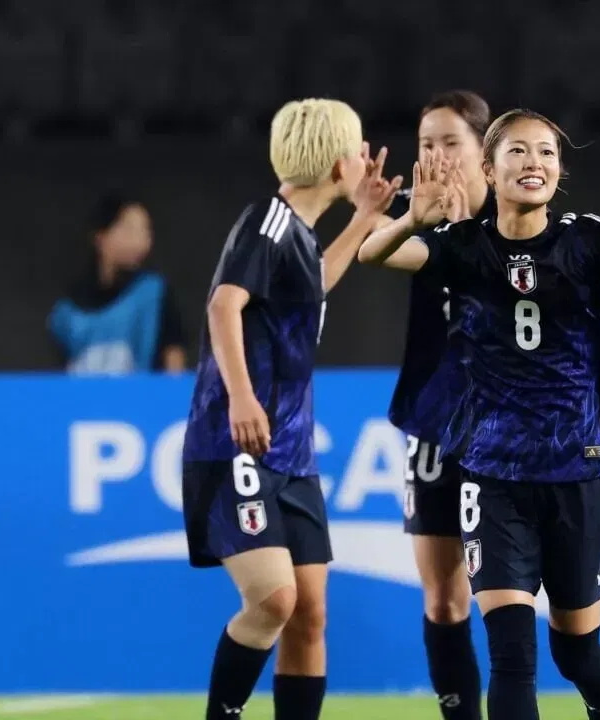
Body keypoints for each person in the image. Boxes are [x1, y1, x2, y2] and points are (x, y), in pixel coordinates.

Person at [359, 109, 600, 720]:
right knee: (511, 655)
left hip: (579, 468)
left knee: (577, 652)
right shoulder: (464, 246)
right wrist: (412, 220)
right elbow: (374, 254)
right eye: (519, 153)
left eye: (547, 154)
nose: (535, 164)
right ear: (488, 169)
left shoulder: (590, 239)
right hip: (493, 471)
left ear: (560, 170)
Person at [181, 98, 401, 720]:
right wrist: (243, 398)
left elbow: (312, 287)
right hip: (238, 446)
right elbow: (224, 304)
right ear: (338, 163)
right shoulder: (267, 222)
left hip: (292, 453)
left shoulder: (297, 235)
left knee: (309, 613)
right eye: (359, 149)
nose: (366, 158)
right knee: (274, 600)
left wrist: (362, 220)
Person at [380, 89, 495, 720]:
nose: (438, 155)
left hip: (509, 429)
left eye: (452, 142)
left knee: (506, 597)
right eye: (427, 143)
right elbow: (375, 245)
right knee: (445, 598)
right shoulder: (410, 214)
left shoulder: (516, 214)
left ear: (484, 152)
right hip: (433, 424)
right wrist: (412, 217)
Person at [48, 194, 187, 374]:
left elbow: (174, 360)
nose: (141, 241)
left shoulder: (155, 294)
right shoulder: (67, 311)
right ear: (100, 236)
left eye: (145, 231)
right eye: (129, 230)